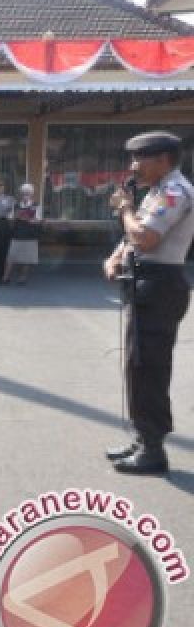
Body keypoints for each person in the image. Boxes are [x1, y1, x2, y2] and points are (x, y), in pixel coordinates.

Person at [102, 131, 194, 476]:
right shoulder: (157, 191)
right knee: (138, 366)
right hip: (145, 282)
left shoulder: (175, 192)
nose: (133, 166)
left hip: (160, 285)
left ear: (163, 160)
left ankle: (153, 450)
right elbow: (134, 237)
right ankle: (142, 438)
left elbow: (145, 236)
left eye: (140, 159)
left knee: (151, 369)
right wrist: (115, 257)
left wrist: (124, 208)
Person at [3, 183, 43, 285]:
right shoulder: (15, 205)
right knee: (11, 257)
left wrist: (28, 219)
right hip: (17, 234)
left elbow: (38, 220)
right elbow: (10, 218)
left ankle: (22, 278)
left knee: (27, 258)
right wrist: (13, 217)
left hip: (30, 235)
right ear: (21, 194)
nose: (25, 195)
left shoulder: (36, 205)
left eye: (28, 193)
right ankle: (5, 278)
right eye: (24, 193)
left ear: (31, 194)